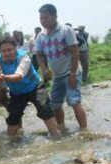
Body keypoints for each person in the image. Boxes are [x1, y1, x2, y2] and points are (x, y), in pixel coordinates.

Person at [0, 36, 60, 138]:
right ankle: (12, 141)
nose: (6, 53)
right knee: (13, 117)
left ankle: (56, 136)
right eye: (3, 51)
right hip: (17, 93)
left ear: (15, 48)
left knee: (45, 109)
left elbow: (19, 76)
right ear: (0, 51)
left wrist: (3, 77)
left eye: (9, 50)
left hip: (35, 87)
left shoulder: (24, 57)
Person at [36, 4, 87, 132]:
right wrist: (44, 69)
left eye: (46, 17)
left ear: (55, 16)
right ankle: (62, 128)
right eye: (41, 18)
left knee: (74, 101)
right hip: (57, 76)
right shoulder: (40, 36)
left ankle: (84, 131)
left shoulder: (65, 30)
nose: (43, 21)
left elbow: (75, 52)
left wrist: (73, 74)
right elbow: (39, 55)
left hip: (71, 72)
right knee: (55, 104)